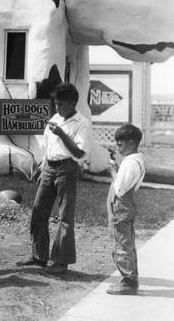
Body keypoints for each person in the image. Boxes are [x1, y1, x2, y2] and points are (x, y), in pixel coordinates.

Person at [17, 83, 90, 276]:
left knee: (65, 216)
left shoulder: (82, 123)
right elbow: (49, 145)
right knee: (38, 212)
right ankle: (39, 256)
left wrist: (62, 134)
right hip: (49, 167)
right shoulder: (55, 118)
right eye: (55, 104)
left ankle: (60, 261)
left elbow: (80, 153)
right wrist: (42, 166)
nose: (57, 108)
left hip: (67, 169)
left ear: (73, 103)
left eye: (61, 104)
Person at [106, 123, 145, 295]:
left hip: (121, 204)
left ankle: (128, 282)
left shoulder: (129, 163)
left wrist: (114, 171)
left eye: (120, 144)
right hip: (127, 204)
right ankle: (130, 278)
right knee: (127, 241)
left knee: (121, 242)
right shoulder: (137, 160)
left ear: (131, 143)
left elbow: (120, 188)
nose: (118, 148)